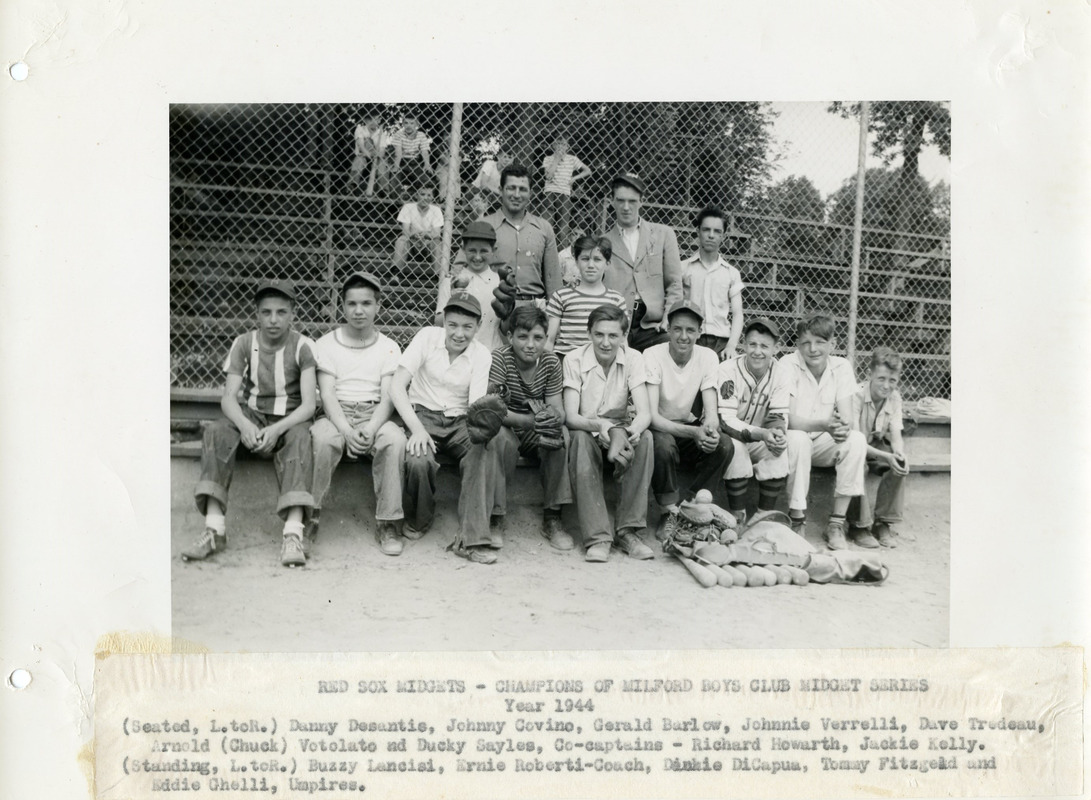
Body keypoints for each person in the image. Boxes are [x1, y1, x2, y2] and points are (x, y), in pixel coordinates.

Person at [184, 279, 316, 568]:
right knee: (217, 431)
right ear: (256, 314)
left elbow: (309, 404)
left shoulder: (304, 346)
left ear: (292, 314)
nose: (273, 319)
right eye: (266, 312)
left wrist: (277, 429)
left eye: (281, 312)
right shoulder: (244, 343)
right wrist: (245, 426)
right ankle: (214, 529)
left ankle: (293, 534)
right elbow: (229, 398)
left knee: (301, 438)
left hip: (289, 419)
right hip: (254, 415)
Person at [388, 292, 497, 564]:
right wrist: (416, 429)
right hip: (422, 415)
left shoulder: (482, 354)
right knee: (417, 460)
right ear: (443, 322)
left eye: (467, 327)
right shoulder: (427, 337)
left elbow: (475, 405)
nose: (459, 333)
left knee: (481, 452)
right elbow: (396, 387)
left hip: (461, 419)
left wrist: (480, 431)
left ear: (478, 326)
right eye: (453, 325)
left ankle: (471, 539)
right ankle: (420, 518)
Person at [309, 272, 408, 557]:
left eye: (366, 303)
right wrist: (347, 430)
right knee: (322, 439)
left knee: (394, 441)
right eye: (352, 304)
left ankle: (388, 522)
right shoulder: (326, 343)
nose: (359, 310)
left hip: (374, 412)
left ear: (378, 306)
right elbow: (327, 394)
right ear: (342, 306)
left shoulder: (389, 346)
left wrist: (371, 427)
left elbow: (389, 395)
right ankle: (308, 516)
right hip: (335, 412)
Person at [563, 304, 655, 562]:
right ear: (589, 333)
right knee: (579, 441)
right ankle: (598, 538)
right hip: (588, 429)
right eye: (599, 334)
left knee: (646, 438)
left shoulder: (634, 358)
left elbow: (645, 413)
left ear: (623, 336)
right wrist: (600, 427)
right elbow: (571, 417)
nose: (605, 342)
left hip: (620, 430)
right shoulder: (574, 359)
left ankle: (628, 532)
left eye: (613, 336)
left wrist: (630, 432)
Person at [485, 306, 574, 550]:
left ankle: (553, 517)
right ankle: (496, 516)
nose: (530, 344)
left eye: (538, 338)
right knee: (498, 440)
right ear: (510, 336)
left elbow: (557, 407)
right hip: (510, 424)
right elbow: (496, 410)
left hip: (536, 426)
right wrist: (529, 421)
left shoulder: (551, 361)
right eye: (522, 337)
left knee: (561, 435)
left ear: (546, 338)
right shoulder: (500, 358)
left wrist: (553, 418)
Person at [782, 311, 867, 549]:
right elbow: (788, 420)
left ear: (833, 344)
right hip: (794, 441)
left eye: (820, 342)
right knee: (798, 438)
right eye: (806, 343)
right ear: (797, 344)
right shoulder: (787, 364)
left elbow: (847, 417)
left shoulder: (842, 366)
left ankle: (836, 524)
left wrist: (840, 429)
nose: (813, 349)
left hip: (823, 441)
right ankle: (797, 519)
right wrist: (824, 424)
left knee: (856, 440)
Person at [644, 301, 734, 512]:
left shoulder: (708, 356)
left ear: (699, 333)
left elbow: (711, 411)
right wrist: (695, 432)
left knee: (723, 444)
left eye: (690, 330)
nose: (683, 336)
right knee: (662, 446)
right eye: (677, 329)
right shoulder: (652, 354)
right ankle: (668, 512)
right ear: (668, 329)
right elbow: (652, 417)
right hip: (660, 428)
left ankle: (692, 507)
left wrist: (710, 428)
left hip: (688, 428)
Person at [717, 317, 791, 526]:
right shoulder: (728, 369)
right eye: (753, 344)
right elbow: (726, 421)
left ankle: (762, 517)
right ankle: (738, 517)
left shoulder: (782, 374)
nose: (758, 351)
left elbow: (777, 417)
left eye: (765, 346)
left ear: (776, 348)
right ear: (744, 345)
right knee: (738, 448)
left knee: (778, 450)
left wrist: (777, 436)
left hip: (759, 436)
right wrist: (763, 435)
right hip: (729, 438)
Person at [455, 163, 561, 304]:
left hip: (533, 310)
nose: (516, 195)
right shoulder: (483, 226)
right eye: (511, 188)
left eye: (522, 189)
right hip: (493, 304)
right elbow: (459, 269)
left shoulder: (544, 228)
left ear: (530, 193)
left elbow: (553, 280)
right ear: (500, 190)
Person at [602, 172, 683, 351]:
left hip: (652, 324)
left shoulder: (663, 234)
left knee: (670, 352)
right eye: (620, 200)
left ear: (641, 201)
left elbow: (674, 284)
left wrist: (668, 318)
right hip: (616, 323)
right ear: (612, 201)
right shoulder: (603, 242)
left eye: (632, 201)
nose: (626, 207)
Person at [847, 346, 910, 549]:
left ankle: (883, 522)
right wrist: (886, 455)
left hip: (876, 446)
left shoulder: (895, 398)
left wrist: (899, 452)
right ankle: (859, 526)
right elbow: (855, 440)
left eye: (892, 380)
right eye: (881, 378)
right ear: (869, 375)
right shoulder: (855, 395)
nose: (886, 386)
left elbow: (896, 435)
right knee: (860, 465)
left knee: (899, 463)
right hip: (854, 445)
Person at [544, 235, 627, 357]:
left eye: (597, 259)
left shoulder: (616, 300)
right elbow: (549, 340)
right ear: (576, 262)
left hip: (601, 361)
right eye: (585, 259)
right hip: (566, 359)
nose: (591, 265)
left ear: (608, 264)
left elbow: (623, 342)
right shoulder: (561, 296)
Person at [681, 206, 745, 359]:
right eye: (706, 230)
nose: (711, 235)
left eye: (717, 231)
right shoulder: (683, 268)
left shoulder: (731, 273)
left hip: (721, 343)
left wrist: (731, 346)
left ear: (723, 236)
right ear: (698, 231)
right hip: (690, 339)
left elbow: (737, 314)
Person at [435, 221, 504, 350]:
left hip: (491, 351)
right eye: (472, 250)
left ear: (493, 250)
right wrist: (452, 302)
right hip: (458, 352)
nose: (477, 257)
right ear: (463, 249)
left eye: (483, 251)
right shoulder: (451, 281)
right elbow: (438, 323)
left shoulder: (499, 282)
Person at [540, 134, 591, 245]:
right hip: (550, 193)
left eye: (563, 144)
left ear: (567, 146)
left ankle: (561, 253)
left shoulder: (572, 159)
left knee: (563, 227)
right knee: (546, 224)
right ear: (553, 145)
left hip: (564, 194)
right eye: (558, 144)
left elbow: (588, 170)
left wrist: (575, 178)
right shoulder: (548, 159)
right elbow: (548, 176)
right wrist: (557, 159)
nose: (560, 147)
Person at [392, 186, 443, 273]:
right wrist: (413, 234)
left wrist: (426, 235)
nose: (426, 198)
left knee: (437, 243)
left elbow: (436, 233)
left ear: (432, 197)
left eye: (429, 195)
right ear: (416, 195)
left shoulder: (436, 210)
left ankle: (438, 275)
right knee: (401, 240)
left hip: (428, 245)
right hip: (412, 243)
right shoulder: (408, 207)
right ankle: (395, 273)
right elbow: (405, 230)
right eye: (422, 194)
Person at [390, 115, 432, 199]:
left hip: (415, 161)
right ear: (403, 124)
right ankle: (394, 200)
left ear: (417, 124)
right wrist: (396, 166)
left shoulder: (421, 135)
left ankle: (411, 194)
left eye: (412, 123)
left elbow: (424, 151)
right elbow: (398, 152)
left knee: (426, 181)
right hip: (402, 161)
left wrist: (427, 164)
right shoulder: (399, 134)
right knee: (395, 177)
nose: (409, 125)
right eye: (406, 123)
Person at [348, 113, 387, 198]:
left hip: (376, 160)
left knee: (383, 162)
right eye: (370, 119)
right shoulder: (360, 129)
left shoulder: (381, 133)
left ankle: (383, 190)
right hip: (363, 156)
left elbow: (382, 151)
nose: (373, 122)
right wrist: (370, 154)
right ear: (365, 120)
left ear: (379, 120)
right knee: (359, 160)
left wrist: (377, 154)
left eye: (376, 119)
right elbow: (361, 146)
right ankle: (352, 185)